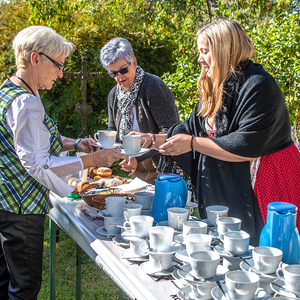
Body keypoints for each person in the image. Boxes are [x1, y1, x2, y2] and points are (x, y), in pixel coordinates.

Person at [132, 19, 300, 245]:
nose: (200, 59)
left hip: (265, 183)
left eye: (205, 51)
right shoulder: (218, 85)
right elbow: (189, 132)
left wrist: (193, 143)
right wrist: (150, 140)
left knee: (268, 254)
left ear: (224, 50)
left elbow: (246, 146)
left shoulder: (258, 85)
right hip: (231, 185)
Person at [0, 26, 126, 300]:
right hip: (20, 209)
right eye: (58, 65)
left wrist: (75, 143)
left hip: (5, 204)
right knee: (24, 287)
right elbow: (38, 164)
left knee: (5, 280)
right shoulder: (27, 103)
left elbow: (33, 141)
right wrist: (94, 159)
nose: (60, 73)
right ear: (36, 59)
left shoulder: (11, 89)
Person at [100, 37, 179, 184]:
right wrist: (103, 148)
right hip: (136, 170)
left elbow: (172, 133)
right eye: (113, 73)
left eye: (123, 70)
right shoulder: (114, 94)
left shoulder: (154, 87)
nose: (119, 77)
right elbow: (113, 130)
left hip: (163, 168)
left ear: (134, 63)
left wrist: (137, 156)